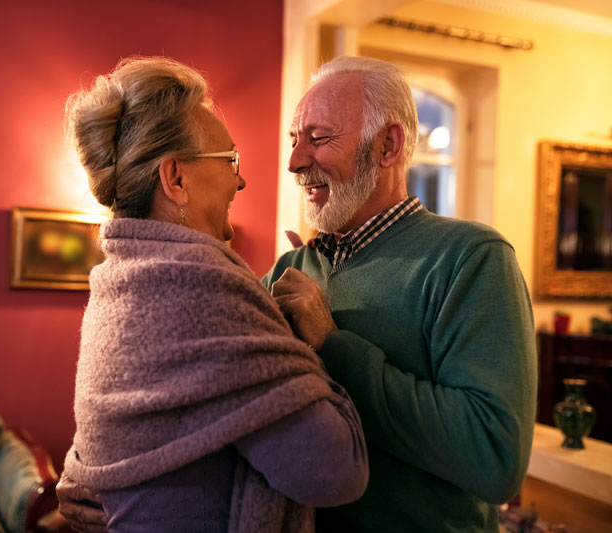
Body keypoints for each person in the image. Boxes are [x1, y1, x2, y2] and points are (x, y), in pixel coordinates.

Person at [56, 56, 368, 533]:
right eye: (231, 161)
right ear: (175, 178)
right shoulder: (199, 286)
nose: (240, 180)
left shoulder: (121, 278)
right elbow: (335, 472)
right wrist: (315, 351)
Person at [264, 55, 537, 532]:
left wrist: (334, 346)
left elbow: (494, 457)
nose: (294, 162)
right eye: (294, 139)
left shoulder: (472, 258)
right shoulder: (291, 268)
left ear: (387, 145)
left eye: (318, 138)